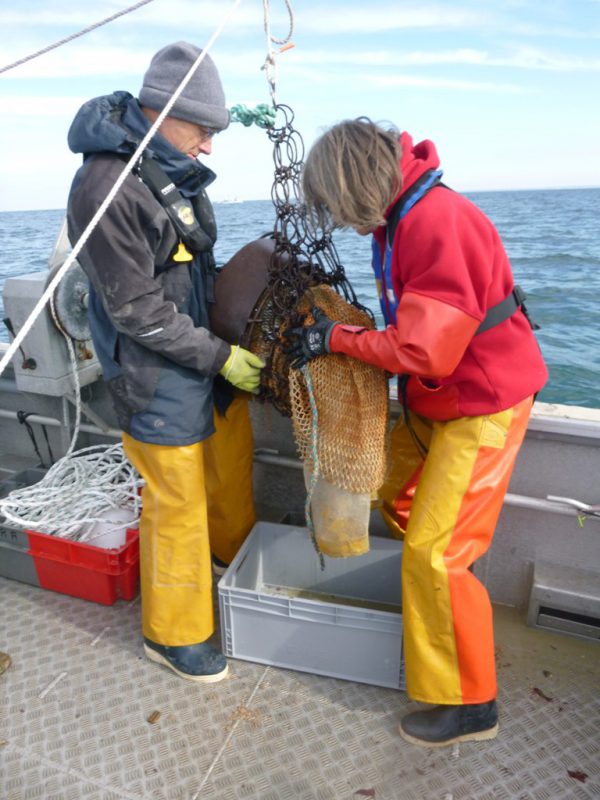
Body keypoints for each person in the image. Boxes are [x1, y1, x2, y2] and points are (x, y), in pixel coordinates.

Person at [286, 118, 548, 746]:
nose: (344, 223)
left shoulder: (436, 221)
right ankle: (444, 613)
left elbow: (426, 350)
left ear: (355, 185)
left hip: (482, 403)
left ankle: (469, 704)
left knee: (436, 551)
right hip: (442, 402)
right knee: (396, 495)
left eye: (338, 205)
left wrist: (334, 338)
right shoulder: (403, 215)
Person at [66, 42, 264, 682]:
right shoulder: (105, 185)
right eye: (203, 129)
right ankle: (172, 634)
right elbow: (137, 311)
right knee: (175, 503)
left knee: (228, 469)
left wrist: (223, 352)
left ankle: (230, 571)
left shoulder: (163, 165)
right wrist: (221, 357)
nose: (208, 146)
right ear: (163, 111)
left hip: (201, 360)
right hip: (154, 373)